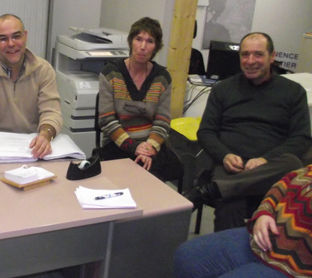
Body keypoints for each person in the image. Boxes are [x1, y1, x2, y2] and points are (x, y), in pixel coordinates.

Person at [184, 32, 312, 231]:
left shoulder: (293, 92)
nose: (250, 61)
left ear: (272, 56)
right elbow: (206, 131)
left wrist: (265, 160)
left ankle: (210, 191)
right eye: (245, 55)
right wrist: (224, 155)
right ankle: (228, 259)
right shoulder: (223, 89)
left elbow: (301, 138)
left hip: (270, 169)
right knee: (229, 206)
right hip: (231, 166)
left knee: (293, 163)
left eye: (258, 54)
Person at [174, 165, 312, 278]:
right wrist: (264, 212)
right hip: (263, 237)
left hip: (293, 266)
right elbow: (288, 180)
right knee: (186, 256)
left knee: (231, 204)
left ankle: (211, 190)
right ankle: (211, 190)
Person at [0, 14, 62, 166]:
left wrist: (45, 135)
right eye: (3, 38)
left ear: (25, 36)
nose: (11, 44)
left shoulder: (44, 70)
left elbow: (51, 112)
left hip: (35, 150)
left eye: (16, 36)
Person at [97, 17, 182, 182]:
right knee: (132, 176)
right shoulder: (111, 73)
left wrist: (148, 149)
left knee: (152, 175)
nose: (143, 47)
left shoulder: (162, 78)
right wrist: (134, 147)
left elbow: (163, 121)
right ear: (131, 42)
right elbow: (106, 121)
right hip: (118, 143)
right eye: (139, 39)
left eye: (150, 41)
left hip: (152, 144)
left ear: (156, 47)